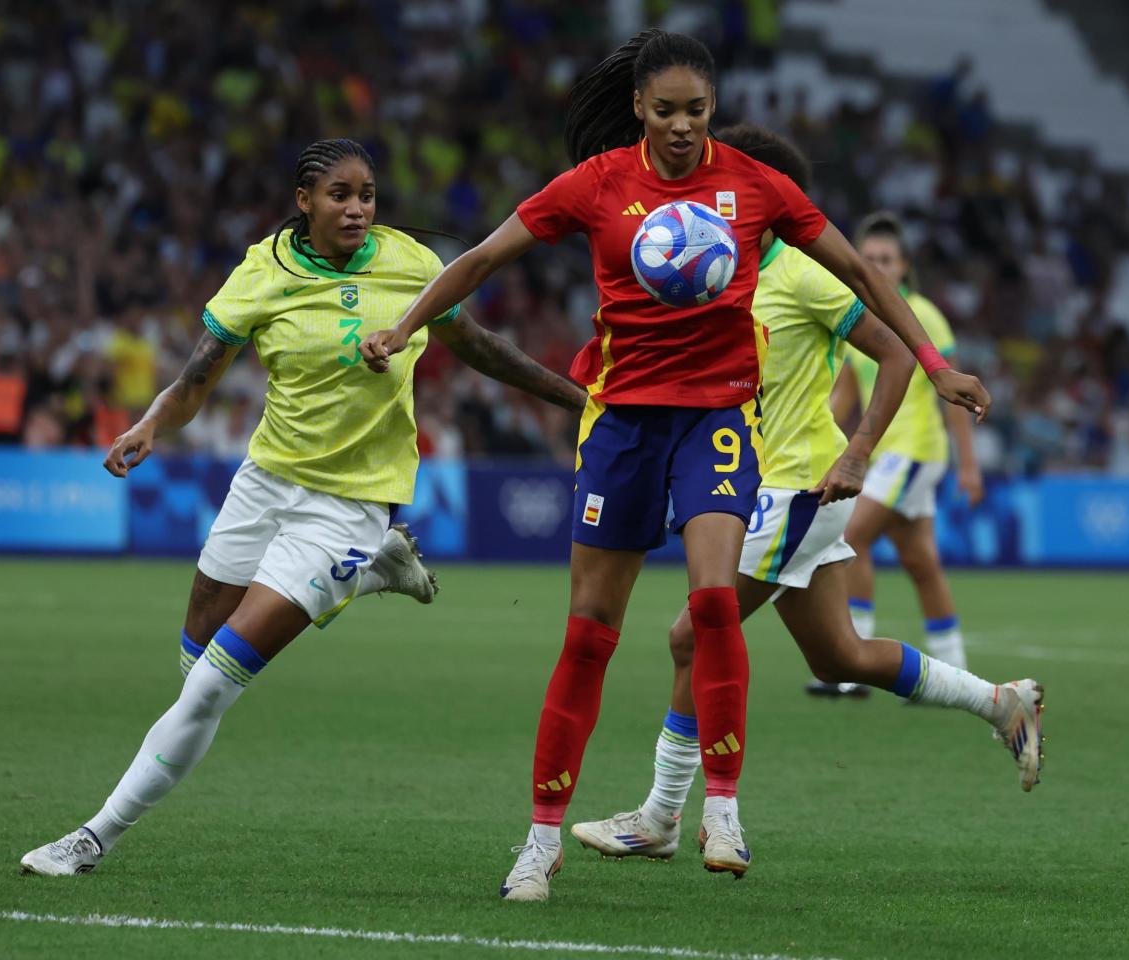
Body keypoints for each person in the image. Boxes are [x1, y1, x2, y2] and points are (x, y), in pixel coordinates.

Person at [358, 31, 990, 902]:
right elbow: (482, 257)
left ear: (713, 109)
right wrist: (405, 327)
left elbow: (858, 273)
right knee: (589, 634)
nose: (684, 126)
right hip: (620, 424)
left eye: (697, 110)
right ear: (639, 110)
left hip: (717, 423)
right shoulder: (599, 183)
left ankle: (719, 810)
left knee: (713, 602)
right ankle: (539, 844)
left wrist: (933, 361)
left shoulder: (755, 186)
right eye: (667, 111)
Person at [19, 138, 588, 877]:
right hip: (264, 485)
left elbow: (478, 345)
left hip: (346, 507)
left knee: (214, 686)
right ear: (305, 201)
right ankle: (374, 572)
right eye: (340, 195)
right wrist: (152, 423)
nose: (357, 209)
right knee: (191, 663)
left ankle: (91, 838)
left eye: (368, 195)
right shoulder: (263, 272)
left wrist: (581, 401)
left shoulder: (411, 264)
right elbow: (196, 377)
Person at [568, 126, 1041, 862]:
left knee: (692, 634)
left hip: (795, 486)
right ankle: (999, 702)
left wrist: (858, 453)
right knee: (839, 657)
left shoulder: (803, 274)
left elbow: (892, 356)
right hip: (755, 486)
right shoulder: (711, 267)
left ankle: (661, 817)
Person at [831, 213, 982, 688]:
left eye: (886, 259)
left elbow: (954, 394)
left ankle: (852, 668)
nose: (877, 265)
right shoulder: (854, 313)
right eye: (869, 258)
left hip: (915, 450)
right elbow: (845, 400)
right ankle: (954, 665)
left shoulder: (924, 315)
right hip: (886, 455)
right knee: (921, 562)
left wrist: (969, 464)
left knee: (851, 538)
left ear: (903, 267)